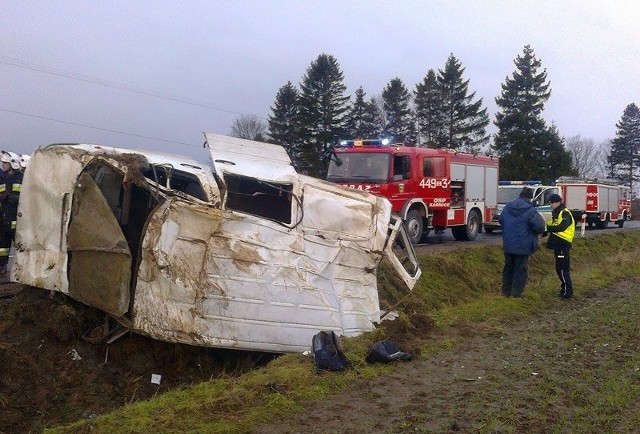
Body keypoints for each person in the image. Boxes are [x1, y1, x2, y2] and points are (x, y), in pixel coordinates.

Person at [499, 187, 546, 297]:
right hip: (523, 246)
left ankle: (506, 293)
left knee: (508, 269)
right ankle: (516, 294)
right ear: (529, 198)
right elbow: (539, 227)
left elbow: (501, 220)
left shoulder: (507, 207)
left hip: (508, 244)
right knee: (520, 270)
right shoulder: (531, 210)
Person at [543, 193, 575, 299]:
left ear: (557, 202)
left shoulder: (565, 213)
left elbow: (561, 226)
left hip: (563, 244)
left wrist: (548, 229)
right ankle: (564, 289)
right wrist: (545, 230)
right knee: (559, 268)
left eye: (551, 203)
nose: (550, 205)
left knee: (562, 269)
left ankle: (567, 292)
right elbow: (552, 224)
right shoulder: (557, 213)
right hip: (558, 244)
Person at [0, 152, 23, 276]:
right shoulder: (1, 178)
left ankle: (21, 268)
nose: (3, 165)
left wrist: (16, 198)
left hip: (16, 217)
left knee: (19, 243)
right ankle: (2, 266)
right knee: (2, 246)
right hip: (4, 217)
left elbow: (27, 194)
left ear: (12, 163)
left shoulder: (21, 177)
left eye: (5, 163)